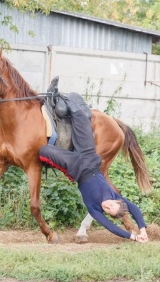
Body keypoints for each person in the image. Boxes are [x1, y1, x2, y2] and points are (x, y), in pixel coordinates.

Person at [39, 95, 149, 243]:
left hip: (76, 167)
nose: (108, 206)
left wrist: (133, 237)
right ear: (116, 202)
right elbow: (134, 209)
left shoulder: (95, 210)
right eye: (112, 205)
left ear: (107, 213)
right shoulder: (115, 197)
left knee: (44, 151)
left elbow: (111, 227)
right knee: (79, 115)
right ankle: (57, 96)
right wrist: (142, 230)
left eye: (108, 210)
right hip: (89, 155)